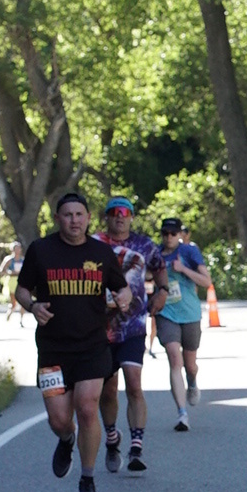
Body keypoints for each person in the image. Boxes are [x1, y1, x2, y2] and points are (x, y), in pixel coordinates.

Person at [16, 190, 132, 492]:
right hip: (53, 350)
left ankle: (88, 479)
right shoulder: (41, 250)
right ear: (57, 219)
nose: (74, 221)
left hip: (92, 346)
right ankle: (67, 439)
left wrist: (124, 298)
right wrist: (32, 306)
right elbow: (22, 290)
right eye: (68, 215)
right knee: (59, 420)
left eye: (79, 215)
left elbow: (122, 288)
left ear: (88, 218)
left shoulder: (102, 253)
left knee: (87, 407)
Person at [95, 196, 163, 475]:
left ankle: (136, 447)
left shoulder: (144, 245)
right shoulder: (95, 244)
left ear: (132, 217)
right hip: (100, 328)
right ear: (107, 217)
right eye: (114, 212)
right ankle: (112, 439)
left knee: (134, 384)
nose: (120, 217)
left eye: (125, 212)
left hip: (133, 326)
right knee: (108, 389)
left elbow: (160, 268)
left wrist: (162, 292)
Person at [155, 217, 211, 429]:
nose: (169, 237)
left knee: (190, 365)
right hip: (166, 313)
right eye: (165, 233)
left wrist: (183, 269)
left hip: (189, 313)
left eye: (173, 233)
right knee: (174, 358)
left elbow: (206, 281)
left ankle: (192, 381)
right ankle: (182, 413)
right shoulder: (155, 254)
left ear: (180, 234)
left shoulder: (189, 252)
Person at [0, 243, 26, 323]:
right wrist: (10, 272)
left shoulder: (23, 260)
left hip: (21, 281)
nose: (18, 250)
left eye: (19, 248)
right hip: (12, 282)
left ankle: (21, 320)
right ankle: (9, 313)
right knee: (13, 302)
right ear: (12, 250)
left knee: (23, 302)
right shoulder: (9, 260)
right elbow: (1, 270)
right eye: (16, 249)